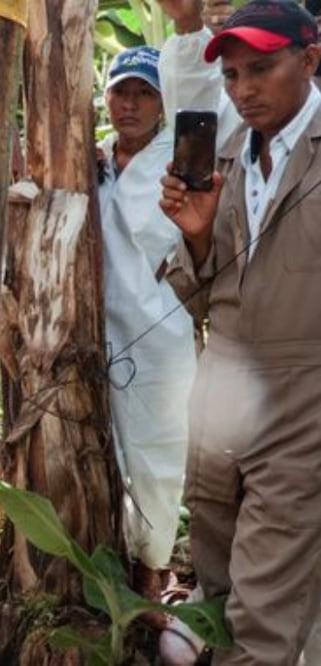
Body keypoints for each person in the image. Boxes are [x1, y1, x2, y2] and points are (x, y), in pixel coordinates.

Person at [157, 1, 321, 663]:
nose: (242, 89)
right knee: (218, 582)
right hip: (221, 386)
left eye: (260, 68)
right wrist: (195, 242)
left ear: (309, 59)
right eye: (229, 76)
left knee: (262, 606)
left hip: (302, 389)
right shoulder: (223, 153)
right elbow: (192, 294)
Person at [95, 45, 197, 616]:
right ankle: (109, 572)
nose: (129, 104)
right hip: (94, 332)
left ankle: (153, 580)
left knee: (157, 459)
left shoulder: (177, 157)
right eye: (121, 92)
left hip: (159, 335)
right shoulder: (93, 158)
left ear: (163, 104)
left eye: (144, 94)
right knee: (102, 453)